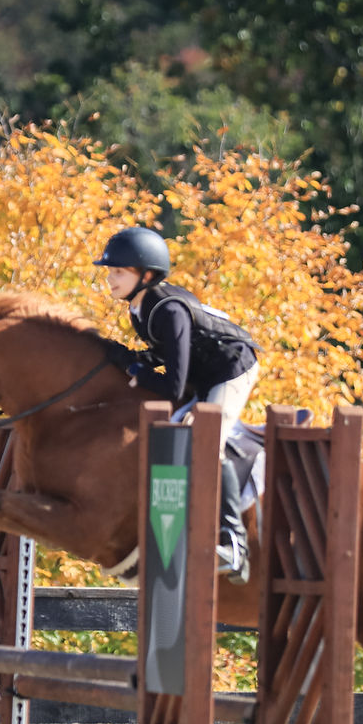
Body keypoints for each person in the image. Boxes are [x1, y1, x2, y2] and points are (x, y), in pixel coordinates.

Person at [95, 225, 259, 584]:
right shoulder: (139, 310)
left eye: (118, 271)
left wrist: (136, 369)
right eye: (110, 271)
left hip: (232, 370)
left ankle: (234, 541)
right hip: (204, 375)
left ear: (147, 275)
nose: (110, 279)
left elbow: (173, 385)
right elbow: (161, 357)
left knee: (205, 440)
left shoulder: (169, 310)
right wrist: (124, 358)